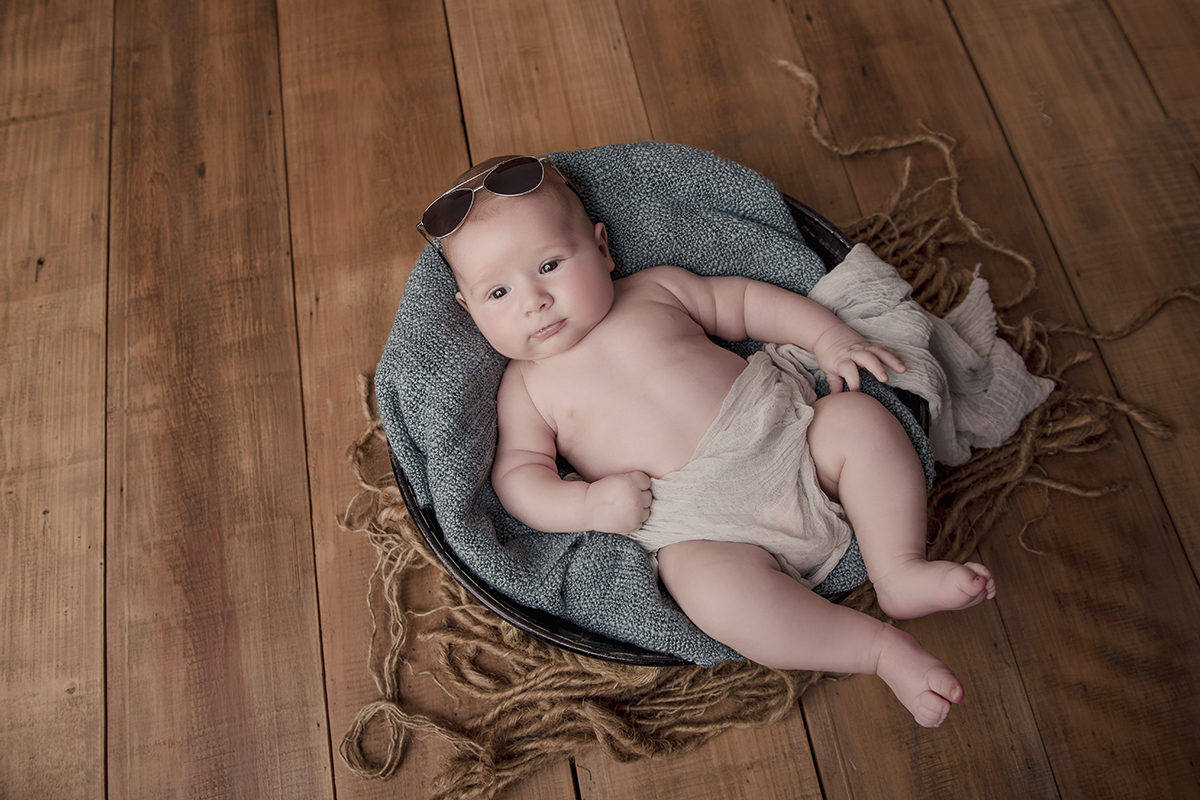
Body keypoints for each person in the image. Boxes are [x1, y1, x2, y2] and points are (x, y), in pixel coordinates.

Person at [419, 154, 997, 728]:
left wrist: (828, 336)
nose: (532, 300)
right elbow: (519, 477)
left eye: (549, 265)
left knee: (858, 420)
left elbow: (745, 304)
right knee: (710, 593)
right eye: (498, 294)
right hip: (701, 525)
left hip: (788, 441)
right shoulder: (525, 388)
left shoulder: (653, 292)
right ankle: (878, 650)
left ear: (601, 248)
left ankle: (899, 569)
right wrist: (588, 505)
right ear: (469, 312)